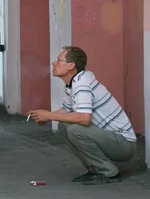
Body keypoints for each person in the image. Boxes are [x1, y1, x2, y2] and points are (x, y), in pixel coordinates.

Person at [27, 46, 136, 185]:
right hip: (111, 139)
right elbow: (66, 111)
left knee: (75, 130)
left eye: (59, 60)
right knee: (64, 125)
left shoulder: (82, 84)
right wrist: (46, 117)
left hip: (124, 145)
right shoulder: (73, 83)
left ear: (71, 66)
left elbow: (84, 118)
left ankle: (108, 172)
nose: (54, 63)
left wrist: (48, 115)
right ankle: (95, 168)